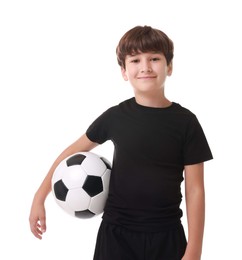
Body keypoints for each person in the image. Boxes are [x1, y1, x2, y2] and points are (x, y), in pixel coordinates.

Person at [29, 25, 213, 260]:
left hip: (166, 236)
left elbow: (195, 188)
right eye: (135, 60)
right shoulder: (115, 117)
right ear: (124, 71)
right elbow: (70, 153)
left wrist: (194, 249)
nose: (145, 67)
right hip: (116, 236)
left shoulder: (186, 122)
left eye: (154, 58)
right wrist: (39, 197)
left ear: (169, 66)